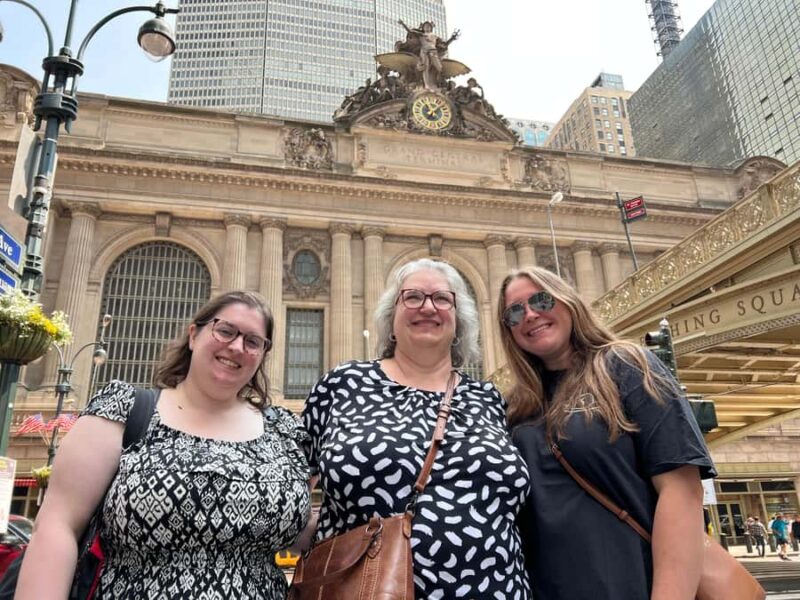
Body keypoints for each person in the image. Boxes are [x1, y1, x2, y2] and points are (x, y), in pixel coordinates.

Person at [16, 291, 312, 599]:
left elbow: (299, 530)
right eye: (225, 331)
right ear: (193, 335)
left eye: (253, 341)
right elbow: (57, 528)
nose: (237, 346)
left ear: (263, 354)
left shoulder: (283, 432)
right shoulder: (125, 410)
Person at [302, 258, 532, 599]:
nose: (427, 307)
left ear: (459, 322)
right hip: (371, 590)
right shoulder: (343, 384)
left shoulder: (490, 399)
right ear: (391, 318)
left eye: (442, 299)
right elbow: (290, 495)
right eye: (412, 297)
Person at [498, 267, 716, 600]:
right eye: (514, 312)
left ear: (568, 302)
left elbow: (682, 490)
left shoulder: (627, 367)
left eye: (541, 300)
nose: (529, 315)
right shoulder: (515, 407)